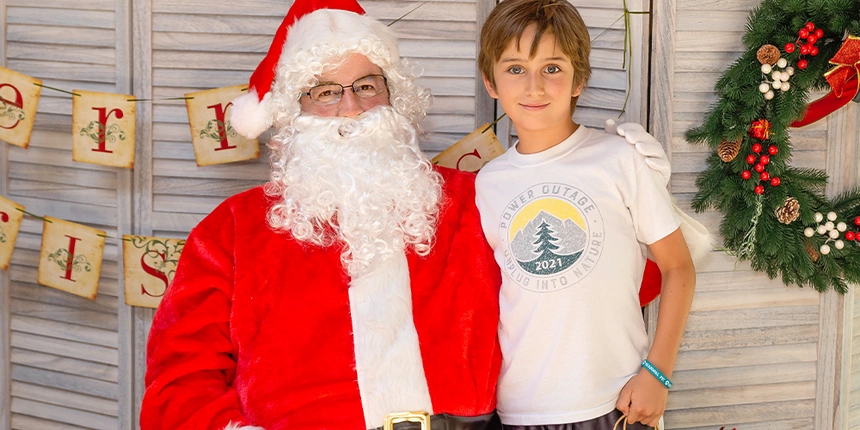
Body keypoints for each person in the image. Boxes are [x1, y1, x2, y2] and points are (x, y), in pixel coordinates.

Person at [140, 0, 690, 429]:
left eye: (365, 86)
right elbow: (177, 382)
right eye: (325, 91)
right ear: (291, 110)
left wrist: (620, 190)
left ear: (393, 97)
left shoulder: (467, 199)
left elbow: (586, 284)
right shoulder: (234, 229)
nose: (350, 106)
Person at [474, 1, 697, 429]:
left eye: (552, 68)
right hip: (520, 406)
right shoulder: (489, 183)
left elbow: (678, 267)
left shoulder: (618, 159)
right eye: (516, 69)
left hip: (616, 401)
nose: (534, 86)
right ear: (491, 82)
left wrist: (657, 374)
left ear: (580, 78)